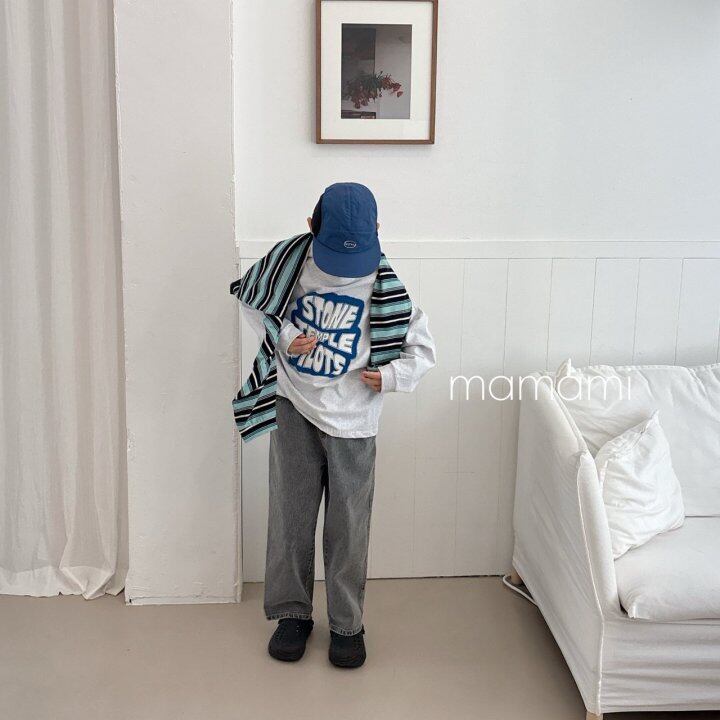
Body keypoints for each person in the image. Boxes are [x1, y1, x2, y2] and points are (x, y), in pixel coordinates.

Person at [231, 182, 436, 668]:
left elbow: (422, 348)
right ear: (310, 227)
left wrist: (390, 376)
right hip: (294, 406)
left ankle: (347, 624)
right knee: (290, 517)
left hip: (355, 419)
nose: (344, 268)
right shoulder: (289, 264)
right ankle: (292, 615)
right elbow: (253, 300)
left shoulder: (383, 279)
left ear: (376, 232)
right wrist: (285, 336)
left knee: (349, 527)